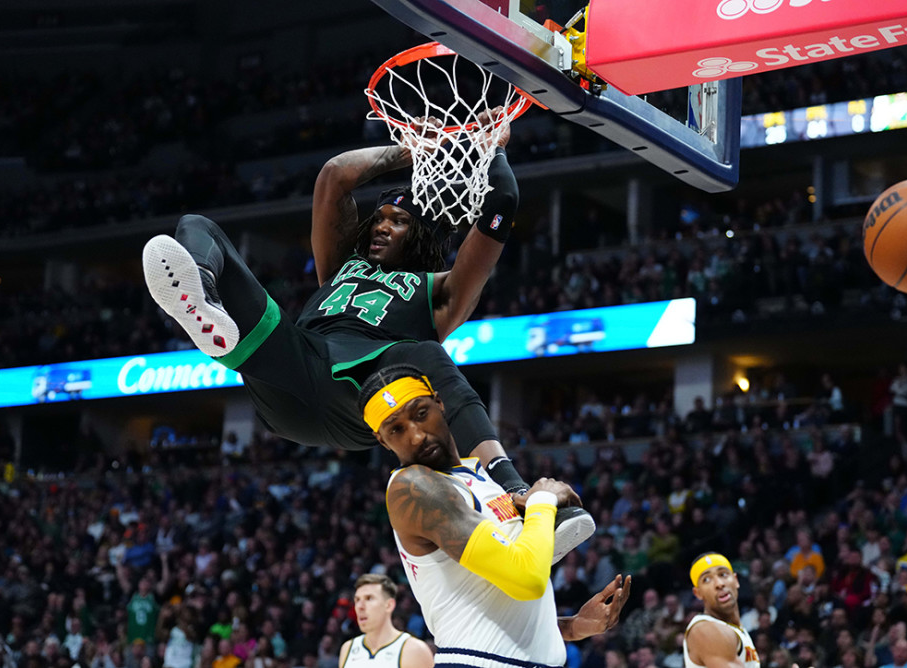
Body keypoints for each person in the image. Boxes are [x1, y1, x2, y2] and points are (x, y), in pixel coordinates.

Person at [141, 110, 592, 557]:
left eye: (396, 220)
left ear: (420, 237)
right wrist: (416, 149)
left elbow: (502, 204)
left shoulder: (442, 290)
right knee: (197, 227)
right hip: (291, 370)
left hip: (365, 399)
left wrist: (492, 148)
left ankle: (512, 490)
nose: (380, 225)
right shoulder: (340, 267)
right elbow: (335, 175)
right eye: (378, 217)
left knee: (425, 354)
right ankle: (205, 301)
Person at [358, 363, 632, 668]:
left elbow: (492, 601)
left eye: (421, 413)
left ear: (439, 402)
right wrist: (542, 498)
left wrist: (573, 626)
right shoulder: (415, 488)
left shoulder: (478, 478)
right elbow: (526, 578)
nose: (417, 436)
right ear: (382, 441)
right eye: (396, 429)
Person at [683, 553, 761, 668]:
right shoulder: (705, 630)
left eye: (723, 574)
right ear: (698, 593)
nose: (719, 584)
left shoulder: (735, 629)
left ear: (736, 580)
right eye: (707, 579)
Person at [338, 574, 432, 668]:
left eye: (369, 598)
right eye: (357, 600)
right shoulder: (348, 648)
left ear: (389, 605)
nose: (360, 606)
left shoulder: (414, 650)